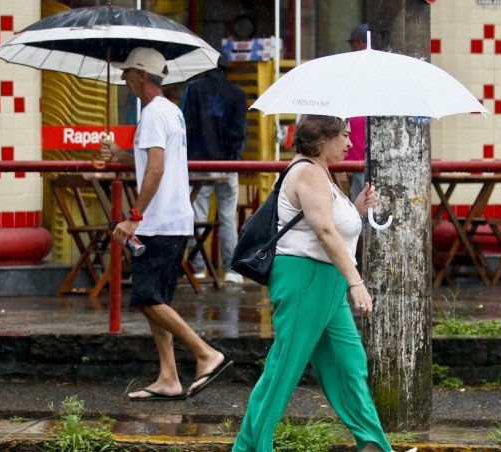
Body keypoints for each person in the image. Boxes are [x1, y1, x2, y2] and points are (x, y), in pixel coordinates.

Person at [232, 115, 391, 452]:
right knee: (284, 370)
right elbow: (324, 232)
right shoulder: (307, 172)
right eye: (345, 136)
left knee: (349, 365)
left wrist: (358, 209)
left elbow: (331, 225)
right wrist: (356, 282)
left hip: (326, 283)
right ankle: (248, 448)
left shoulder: (321, 173)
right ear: (322, 139)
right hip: (306, 280)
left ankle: (373, 445)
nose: (350, 143)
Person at [100, 47, 232, 401]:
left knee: (145, 298)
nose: (125, 79)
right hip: (172, 220)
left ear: (143, 75)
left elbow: (156, 169)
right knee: (157, 299)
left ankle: (206, 353)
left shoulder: (154, 114)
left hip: (158, 223)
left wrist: (133, 217)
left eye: (128, 73)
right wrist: (120, 155)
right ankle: (169, 377)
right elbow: (150, 162)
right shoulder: (169, 112)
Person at [181, 54, 248, 284]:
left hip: (199, 163)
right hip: (227, 164)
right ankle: (232, 269)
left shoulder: (194, 90)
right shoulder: (237, 95)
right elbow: (239, 133)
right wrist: (232, 155)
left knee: (198, 215)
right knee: (227, 217)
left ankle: (199, 268)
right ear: (226, 70)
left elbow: (185, 124)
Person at [345, 23, 369, 203]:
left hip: (359, 160)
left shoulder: (358, 73)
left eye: (353, 44)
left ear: (360, 43)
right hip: (358, 159)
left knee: (360, 209)